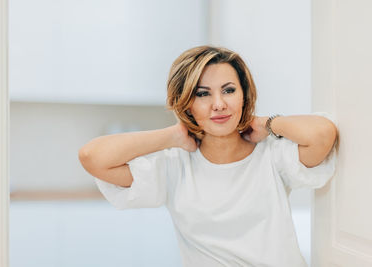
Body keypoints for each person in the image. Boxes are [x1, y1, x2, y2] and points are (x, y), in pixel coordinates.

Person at [78, 45, 339, 267]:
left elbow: (323, 135)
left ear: (244, 96)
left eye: (228, 90)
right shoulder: (173, 165)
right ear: (187, 104)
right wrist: (173, 135)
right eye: (203, 94)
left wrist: (267, 123)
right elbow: (92, 156)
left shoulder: (271, 155)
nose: (219, 104)